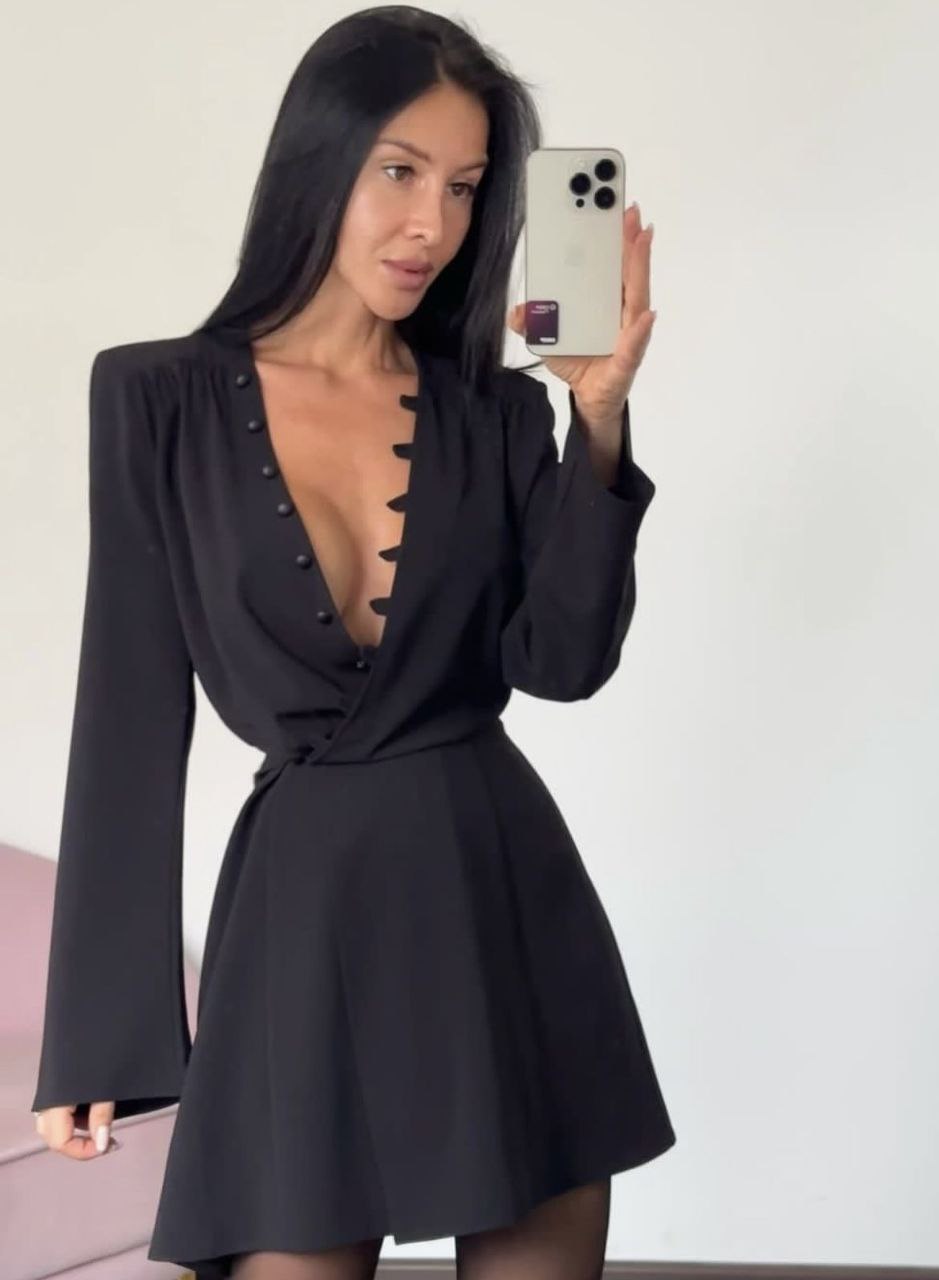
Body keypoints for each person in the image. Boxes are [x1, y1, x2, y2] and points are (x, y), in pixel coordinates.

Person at [31, 7, 673, 1278]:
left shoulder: (496, 411)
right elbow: (127, 713)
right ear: (316, 161)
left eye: (466, 187)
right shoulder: (155, 397)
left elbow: (561, 662)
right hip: (304, 917)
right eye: (399, 170)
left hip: (500, 899)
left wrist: (597, 421)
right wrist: (97, 1034)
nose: (432, 223)